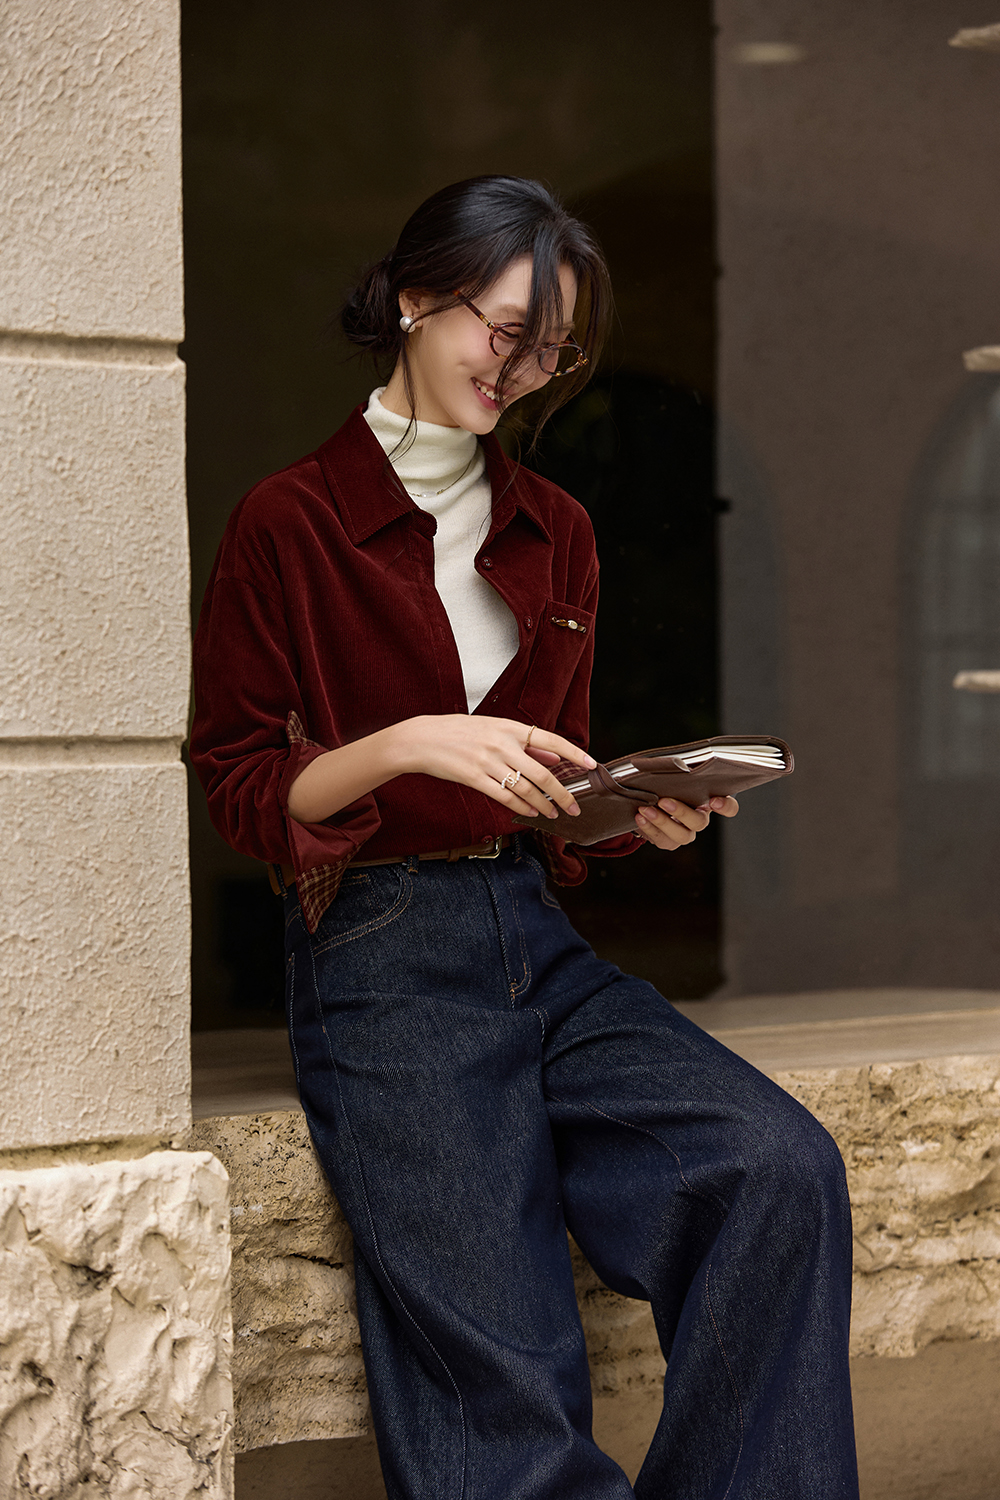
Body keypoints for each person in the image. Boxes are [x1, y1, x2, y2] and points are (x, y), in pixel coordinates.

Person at [190, 175, 859, 1500]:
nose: (524, 370)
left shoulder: (560, 532)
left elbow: (554, 785)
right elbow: (239, 786)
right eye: (506, 332)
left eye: (553, 352)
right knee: (504, 1377)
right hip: (377, 950)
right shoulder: (292, 519)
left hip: (534, 939)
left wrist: (633, 816)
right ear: (415, 297)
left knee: (776, 1171)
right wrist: (406, 742)